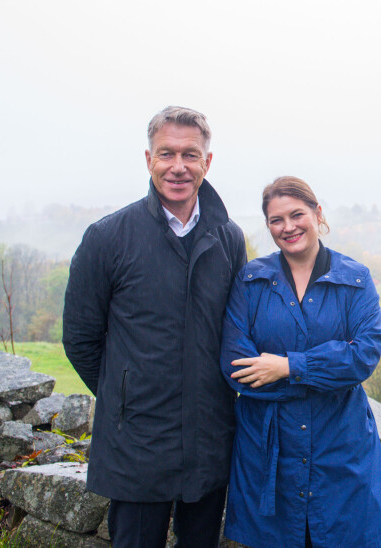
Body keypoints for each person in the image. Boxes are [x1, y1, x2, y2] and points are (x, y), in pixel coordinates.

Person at [62, 106, 246, 547]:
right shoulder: (108, 237)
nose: (178, 166)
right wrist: (126, 396)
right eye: (167, 154)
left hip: (208, 437)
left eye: (190, 154)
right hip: (136, 442)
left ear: (207, 162)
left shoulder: (229, 238)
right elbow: (81, 339)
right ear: (149, 160)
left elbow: (236, 330)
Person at [220, 176, 381, 547]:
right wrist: (326, 376)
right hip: (268, 452)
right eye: (276, 220)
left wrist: (287, 368)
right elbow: (236, 366)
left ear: (317, 213)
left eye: (297, 214)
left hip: (340, 448)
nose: (288, 227)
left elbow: (363, 356)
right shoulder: (250, 281)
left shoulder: (355, 280)